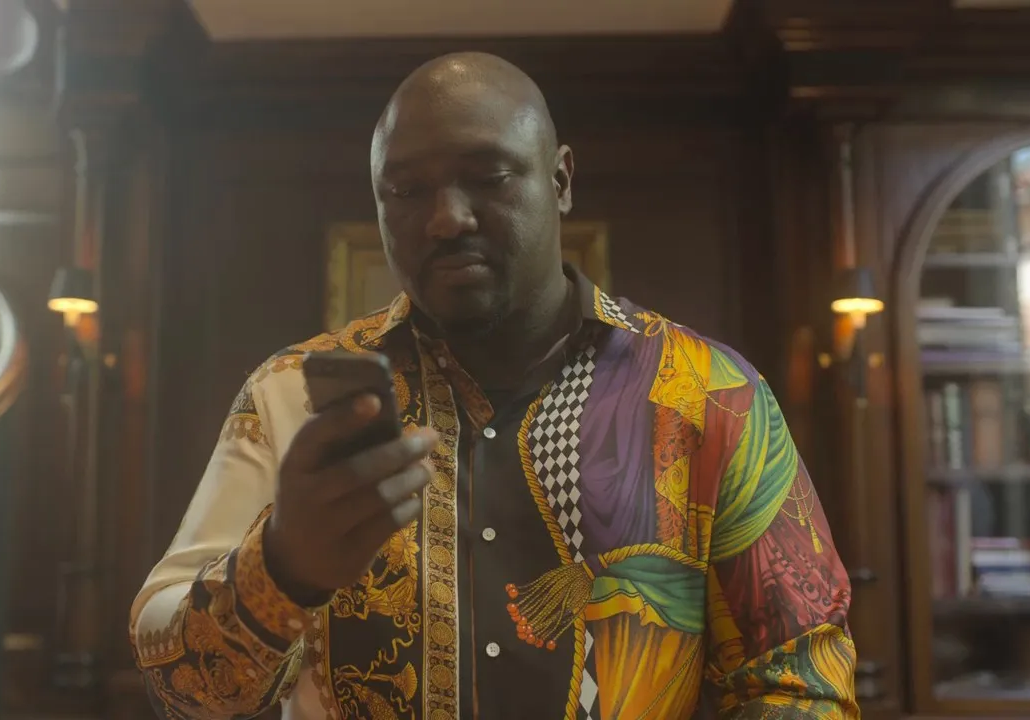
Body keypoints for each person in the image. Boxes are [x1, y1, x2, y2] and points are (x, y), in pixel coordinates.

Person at [130, 51, 858, 720]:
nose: (446, 219)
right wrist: (281, 570)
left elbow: (799, 679)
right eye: (406, 190)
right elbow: (177, 685)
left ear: (560, 181)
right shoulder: (289, 399)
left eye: (489, 177)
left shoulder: (710, 397)